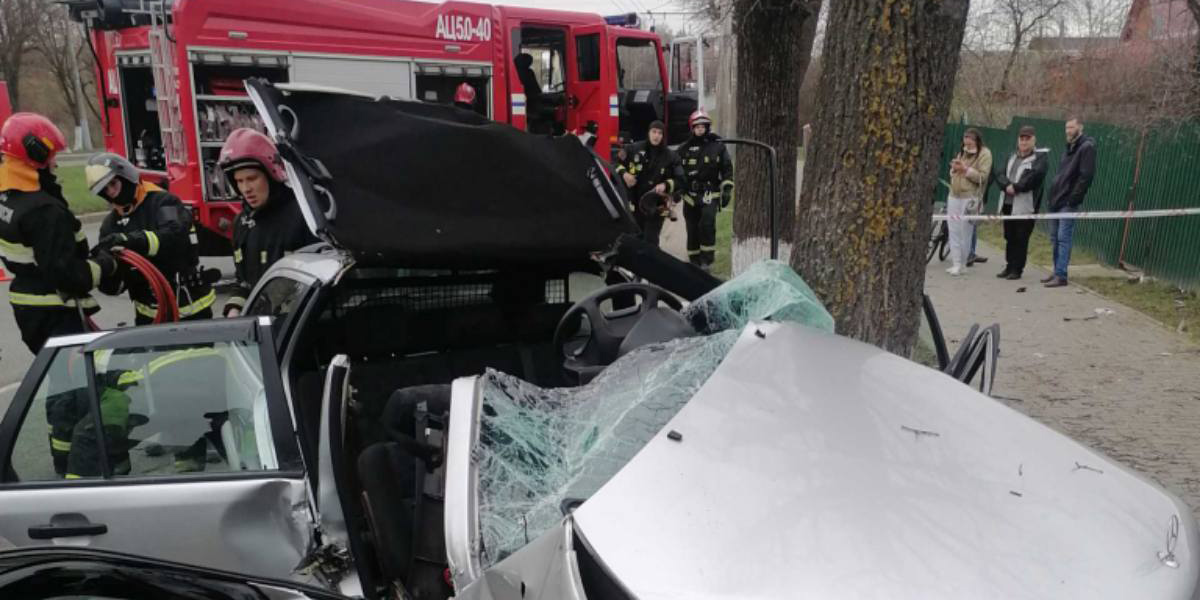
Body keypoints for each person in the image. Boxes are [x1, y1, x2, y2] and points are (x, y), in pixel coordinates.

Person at [0, 113, 120, 353]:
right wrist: (107, 265)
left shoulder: (8, 198)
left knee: (61, 379)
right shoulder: (44, 210)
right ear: (36, 155)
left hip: (28, 307)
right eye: (52, 156)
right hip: (56, 310)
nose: (55, 163)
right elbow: (66, 274)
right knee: (86, 378)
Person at [86, 153, 215, 324]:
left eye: (113, 184)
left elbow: (174, 238)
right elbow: (116, 285)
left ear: (125, 176)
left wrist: (129, 241)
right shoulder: (111, 224)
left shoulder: (163, 202)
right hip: (148, 316)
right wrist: (106, 268)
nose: (111, 192)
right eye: (105, 190)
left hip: (190, 309)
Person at [218, 128, 317, 316]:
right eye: (239, 181)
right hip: (261, 327)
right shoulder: (242, 223)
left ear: (272, 174)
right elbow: (243, 282)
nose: (245, 188)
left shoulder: (304, 216)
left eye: (252, 179)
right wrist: (234, 308)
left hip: (298, 325)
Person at [1043, 117, 1096, 288]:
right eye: (1066, 127)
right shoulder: (1069, 148)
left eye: (1071, 127)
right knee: (1054, 238)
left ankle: (1061, 275)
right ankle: (1057, 270)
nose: (1068, 130)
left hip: (1067, 201)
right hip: (1056, 199)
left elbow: (1085, 176)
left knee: (1063, 238)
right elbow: (1061, 175)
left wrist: (1073, 198)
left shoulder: (1086, 147)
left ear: (1080, 127)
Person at [614, 120, 684, 247]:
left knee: (651, 239)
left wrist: (665, 185)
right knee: (635, 238)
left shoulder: (671, 156)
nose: (656, 136)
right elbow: (614, 160)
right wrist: (624, 174)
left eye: (660, 133)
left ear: (663, 136)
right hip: (634, 203)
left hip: (658, 204)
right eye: (654, 132)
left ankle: (652, 263)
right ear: (648, 133)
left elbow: (680, 179)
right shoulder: (632, 149)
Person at [678, 110, 733, 270]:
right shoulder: (683, 149)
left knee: (707, 224)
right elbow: (675, 170)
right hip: (690, 196)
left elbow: (727, 168)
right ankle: (694, 260)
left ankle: (707, 261)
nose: (700, 129)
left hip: (710, 193)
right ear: (692, 128)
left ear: (707, 127)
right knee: (692, 227)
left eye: (703, 126)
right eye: (697, 126)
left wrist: (727, 188)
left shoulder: (718, 146)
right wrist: (676, 190)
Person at [992, 126, 1048, 280]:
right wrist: (1006, 186)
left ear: (1033, 140)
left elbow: (1033, 177)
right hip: (1008, 203)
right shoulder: (1012, 156)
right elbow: (999, 173)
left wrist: (1015, 187)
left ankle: (1017, 269)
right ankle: (1009, 266)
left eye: (1027, 138)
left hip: (1026, 206)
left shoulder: (1039, 158)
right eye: (1021, 138)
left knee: (1021, 238)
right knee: (1009, 236)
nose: (1024, 141)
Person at [945, 128, 992, 276]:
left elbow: (983, 177)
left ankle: (963, 263)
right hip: (954, 194)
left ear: (977, 139)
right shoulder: (962, 152)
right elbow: (953, 173)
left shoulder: (985, 153)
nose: (967, 141)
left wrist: (965, 169)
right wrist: (954, 169)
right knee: (953, 230)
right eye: (965, 137)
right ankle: (956, 262)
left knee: (965, 231)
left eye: (970, 138)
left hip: (970, 197)